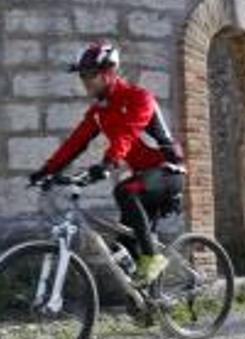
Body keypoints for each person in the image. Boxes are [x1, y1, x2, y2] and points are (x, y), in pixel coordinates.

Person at [28, 41, 186, 285]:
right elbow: (75, 143)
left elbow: (127, 133)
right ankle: (148, 302)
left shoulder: (139, 98)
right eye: (82, 76)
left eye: (91, 75)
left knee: (124, 190)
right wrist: (47, 170)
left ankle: (153, 259)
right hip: (144, 179)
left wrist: (108, 163)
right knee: (122, 250)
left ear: (109, 73)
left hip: (168, 173)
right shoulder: (99, 113)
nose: (86, 81)